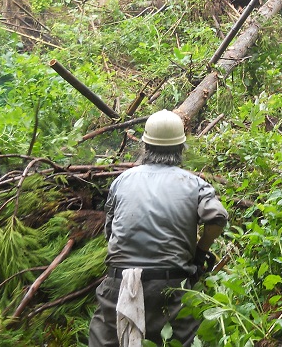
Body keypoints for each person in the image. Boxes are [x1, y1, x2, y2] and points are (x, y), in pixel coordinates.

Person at [88, 109, 229, 347]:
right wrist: (200, 252)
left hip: (119, 285)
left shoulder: (122, 180)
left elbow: (110, 233)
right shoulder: (194, 183)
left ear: (145, 146)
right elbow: (217, 217)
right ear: (181, 148)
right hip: (170, 288)